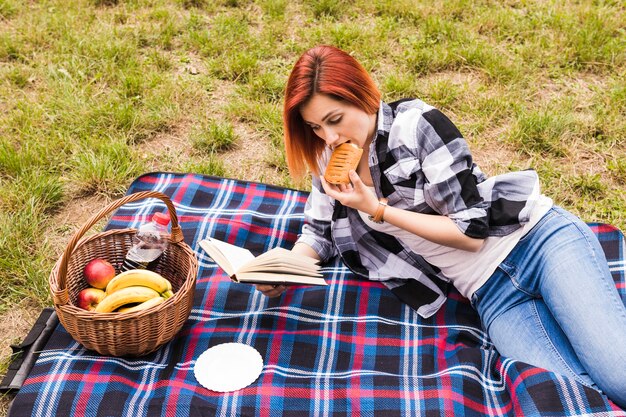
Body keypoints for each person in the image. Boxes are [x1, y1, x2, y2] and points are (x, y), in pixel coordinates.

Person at [255, 45, 626, 408]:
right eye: (315, 127)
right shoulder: (329, 160)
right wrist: (285, 269)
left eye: (335, 120)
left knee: (619, 377)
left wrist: (378, 210)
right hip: (490, 293)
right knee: (570, 398)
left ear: (364, 95)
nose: (329, 137)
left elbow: (471, 232)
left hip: (539, 244)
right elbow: (318, 235)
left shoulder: (416, 127)